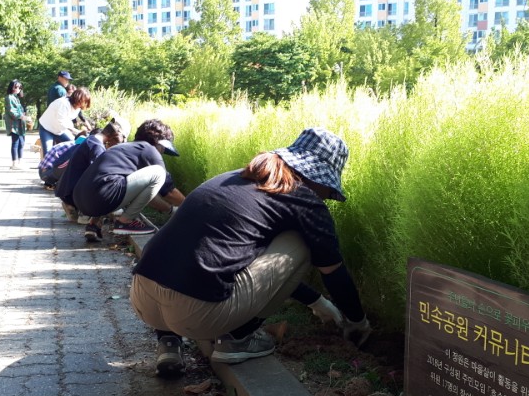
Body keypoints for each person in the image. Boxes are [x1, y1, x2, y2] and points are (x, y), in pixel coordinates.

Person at [129, 127, 372, 377]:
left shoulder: (233, 178)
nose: (326, 198)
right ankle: (238, 338)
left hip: (142, 298)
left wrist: (317, 302)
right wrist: (357, 321)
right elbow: (332, 270)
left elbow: (255, 265)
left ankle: (168, 343)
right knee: (303, 242)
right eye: (329, 191)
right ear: (317, 177)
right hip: (194, 313)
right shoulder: (304, 198)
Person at [71, 119, 185, 237]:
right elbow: (169, 192)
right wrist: (191, 206)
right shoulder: (149, 150)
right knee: (158, 173)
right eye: (163, 150)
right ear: (160, 143)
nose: (162, 154)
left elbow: (148, 195)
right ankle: (124, 222)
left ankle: (93, 225)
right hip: (102, 197)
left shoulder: (123, 149)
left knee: (110, 180)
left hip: (80, 199)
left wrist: (171, 210)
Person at [54, 116, 131, 242]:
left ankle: (90, 222)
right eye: (122, 139)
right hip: (74, 194)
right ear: (116, 135)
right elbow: (100, 177)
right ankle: (87, 217)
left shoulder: (91, 140)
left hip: (68, 189)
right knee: (108, 190)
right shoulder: (97, 148)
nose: (121, 143)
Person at [37, 87, 91, 159]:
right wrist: (77, 131)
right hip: (46, 128)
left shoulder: (77, 108)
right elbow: (61, 122)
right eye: (84, 101)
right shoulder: (63, 104)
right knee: (48, 152)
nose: (84, 104)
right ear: (78, 99)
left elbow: (67, 120)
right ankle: (45, 169)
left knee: (74, 144)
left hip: (59, 130)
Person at [3, 79, 29, 170]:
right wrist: (22, 117)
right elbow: (11, 111)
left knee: (21, 142)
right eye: (15, 86)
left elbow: (19, 111)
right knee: (15, 142)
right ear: (11, 87)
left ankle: (20, 161)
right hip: (14, 124)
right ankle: (14, 163)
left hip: (20, 124)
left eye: (19, 87)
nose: (17, 89)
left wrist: (25, 116)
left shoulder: (16, 98)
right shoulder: (9, 97)